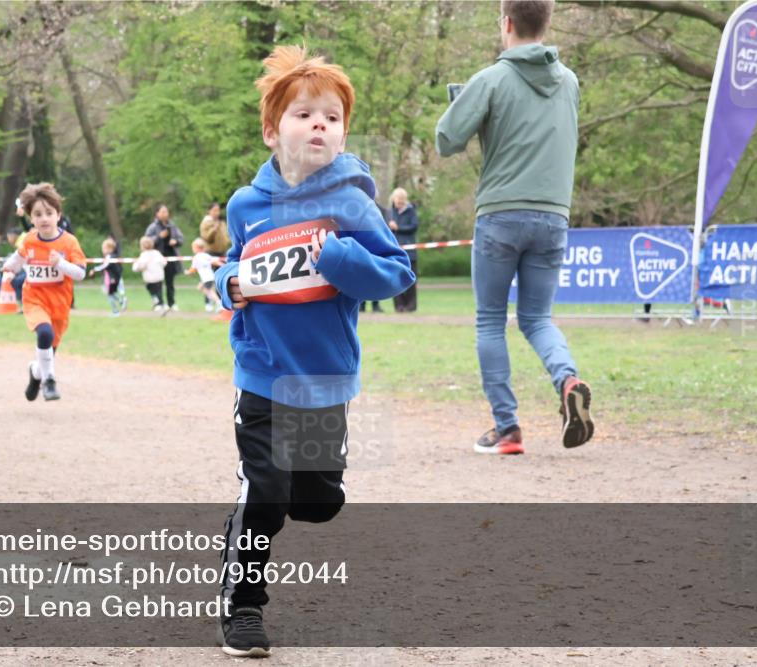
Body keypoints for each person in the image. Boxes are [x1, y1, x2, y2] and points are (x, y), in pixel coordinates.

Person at [212, 45, 414, 657]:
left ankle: (273, 500)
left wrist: (336, 254)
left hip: (324, 377)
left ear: (343, 131)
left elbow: (395, 274)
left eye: (331, 115)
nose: (318, 123)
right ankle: (243, 606)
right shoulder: (247, 205)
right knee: (267, 492)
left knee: (318, 504)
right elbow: (228, 267)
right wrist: (230, 284)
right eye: (304, 114)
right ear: (274, 130)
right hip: (263, 373)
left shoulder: (352, 204)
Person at [436, 0, 593, 455]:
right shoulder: (570, 83)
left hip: (501, 215)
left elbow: (446, 141)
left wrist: (467, 104)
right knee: (538, 319)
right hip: (554, 215)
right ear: (548, 22)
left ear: (506, 23)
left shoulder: (490, 80)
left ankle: (507, 429)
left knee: (490, 321)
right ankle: (568, 380)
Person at [1, 183, 86, 402]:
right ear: (31, 218)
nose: (44, 219)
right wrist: (9, 268)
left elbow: (80, 274)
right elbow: (18, 258)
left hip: (59, 303)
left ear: (58, 215)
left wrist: (61, 264)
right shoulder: (29, 240)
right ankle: (49, 381)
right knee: (44, 334)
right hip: (34, 298)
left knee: (49, 348)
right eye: (38, 214)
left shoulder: (68, 242)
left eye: (49, 213)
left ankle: (36, 373)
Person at [145, 205, 184, 311]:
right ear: (157, 214)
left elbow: (181, 238)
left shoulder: (173, 226)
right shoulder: (152, 227)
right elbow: (146, 241)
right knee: (157, 282)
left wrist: (176, 241)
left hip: (171, 258)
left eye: (166, 212)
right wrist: (159, 237)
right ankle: (159, 303)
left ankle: (172, 303)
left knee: (170, 282)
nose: (165, 214)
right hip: (157, 259)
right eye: (162, 212)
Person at [388, 188, 420, 312]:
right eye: (397, 201)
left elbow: (414, 227)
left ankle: (411, 306)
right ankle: (399, 306)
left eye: (401, 201)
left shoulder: (411, 211)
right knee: (396, 278)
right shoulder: (390, 212)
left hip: (410, 251)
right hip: (395, 250)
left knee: (411, 278)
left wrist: (398, 227)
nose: (399, 204)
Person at [89, 238, 127, 316]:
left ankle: (115, 311)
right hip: (113, 278)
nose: (102, 250)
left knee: (110, 295)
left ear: (109, 249)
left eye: (104, 248)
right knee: (111, 294)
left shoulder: (110, 257)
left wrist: (94, 269)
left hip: (112, 279)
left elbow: (105, 266)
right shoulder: (114, 256)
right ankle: (121, 301)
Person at [132, 236, 166, 312]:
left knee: (152, 291)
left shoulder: (144, 255)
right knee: (159, 291)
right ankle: (161, 303)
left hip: (150, 278)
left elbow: (141, 265)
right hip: (159, 276)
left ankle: (158, 304)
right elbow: (164, 262)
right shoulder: (157, 253)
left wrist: (135, 266)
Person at [187, 238, 218, 311]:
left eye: (193, 248)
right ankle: (212, 301)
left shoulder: (196, 257)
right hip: (210, 276)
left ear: (197, 248)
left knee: (209, 291)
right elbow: (215, 261)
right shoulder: (206, 255)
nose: (193, 249)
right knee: (200, 287)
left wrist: (188, 272)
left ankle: (218, 303)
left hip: (206, 278)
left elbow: (193, 269)